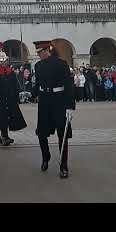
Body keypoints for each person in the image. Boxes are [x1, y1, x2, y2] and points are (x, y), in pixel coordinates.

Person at [33, 41, 75, 179]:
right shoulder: (38, 66)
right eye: (37, 53)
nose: (38, 55)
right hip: (44, 101)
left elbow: (69, 86)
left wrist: (70, 106)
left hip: (59, 101)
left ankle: (64, 166)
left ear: (47, 50)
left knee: (62, 135)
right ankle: (46, 157)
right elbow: (38, 84)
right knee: (41, 133)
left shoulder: (61, 64)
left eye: (40, 52)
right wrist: (31, 93)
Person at [0, 42, 27, 146]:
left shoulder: (11, 72)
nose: (4, 62)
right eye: (2, 61)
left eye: (5, 60)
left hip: (10, 98)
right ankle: (4, 136)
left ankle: (4, 136)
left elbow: (15, 84)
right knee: (2, 118)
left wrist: (17, 94)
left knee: (9, 117)